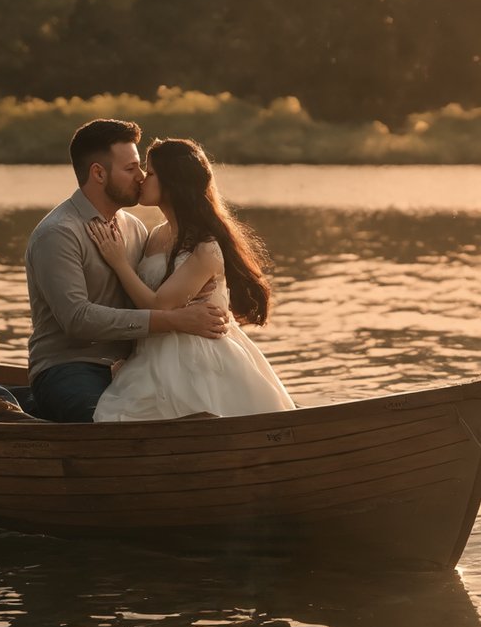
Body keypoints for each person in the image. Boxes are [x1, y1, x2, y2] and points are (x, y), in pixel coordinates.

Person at [25, 119, 231, 422]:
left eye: (142, 168)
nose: (141, 177)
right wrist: (172, 320)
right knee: (109, 428)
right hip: (70, 366)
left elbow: (159, 290)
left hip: (131, 365)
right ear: (98, 173)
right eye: (131, 168)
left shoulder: (134, 229)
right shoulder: (58, 233)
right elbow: (77, 320)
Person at [87, 137, 295, 422]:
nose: (142, 180)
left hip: (197, 355)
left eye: (151, 173)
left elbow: (159, 305)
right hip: (154, 351)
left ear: (173, 183)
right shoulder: (156, 235)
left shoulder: (204, 246)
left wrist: (118, 262)